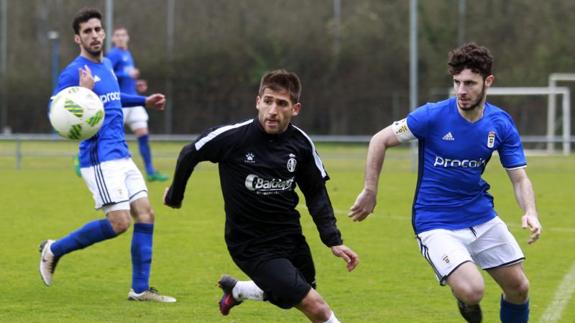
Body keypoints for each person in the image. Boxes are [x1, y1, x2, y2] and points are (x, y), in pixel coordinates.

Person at [349, 43, 542, 323]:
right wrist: (370, 189)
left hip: (481, 216)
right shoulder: (432, 115)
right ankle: (462, 297)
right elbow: (380, 139)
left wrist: (530, 211)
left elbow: (520, 177)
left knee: (519, 288)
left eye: (470, 83)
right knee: (473, 290)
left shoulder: (500, 124)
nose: (461, 91)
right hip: (435, 220)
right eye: (457, 82)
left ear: (488, 82)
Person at [164, 69, 359, 322]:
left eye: (282, 103)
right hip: (250, 244)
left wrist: (333, 239)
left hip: (290, 238)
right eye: (267, 101)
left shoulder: (300, 144)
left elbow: (316, 193)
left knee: (296, 293)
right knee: (317, 306)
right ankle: (243, 289)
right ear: (258, 102)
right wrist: (175, 196)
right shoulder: (234, 137)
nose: (273, 110)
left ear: (295, 108)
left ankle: (239, 290)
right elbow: (190, 153)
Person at [39, 8, 175, 303]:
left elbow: (114, 96)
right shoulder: (74, 72)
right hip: (100, 157)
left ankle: (140, 289)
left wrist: (144, 101)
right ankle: (53, 249)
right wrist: (82, 93)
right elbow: (55, 111)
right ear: (78, 38)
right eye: (87, 31)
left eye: (98, 29)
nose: (95, 35)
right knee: (120, 222)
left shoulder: (108, 65)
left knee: (146, 214)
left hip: (122, 154)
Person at [106, 26, 168, 182]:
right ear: (113, 39)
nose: (120, 37)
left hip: (134, 100)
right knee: (106, 134)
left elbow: (127, 79)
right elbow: (106, 73)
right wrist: (126, 73)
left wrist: (137, 84)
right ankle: (81, 158)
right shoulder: (113, 54)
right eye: (117, 35)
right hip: (120, 101)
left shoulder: (127, 54)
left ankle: (150, 171)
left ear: (128, 37)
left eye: (123, 35)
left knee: (143, 135)